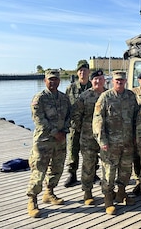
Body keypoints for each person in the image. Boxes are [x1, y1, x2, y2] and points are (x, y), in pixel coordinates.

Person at [93, 70, 139, 215]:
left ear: (125, 81)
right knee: (109, 172)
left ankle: (121, 193)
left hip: (127, 142)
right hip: (110, 144)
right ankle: (108, 199)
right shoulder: (105, 97)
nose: (119, 83)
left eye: (122, 80)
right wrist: (102, 140)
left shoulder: (131, 96)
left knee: (125, 170)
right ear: (112, 81)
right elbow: (97, 120)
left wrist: (136, 136)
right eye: (117, 80)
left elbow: (136, 118)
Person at [26, 69, 71, 218]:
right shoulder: (39, 98)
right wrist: (54, 132)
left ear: (59, 81)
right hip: (44, 140)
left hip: (60, 141)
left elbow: (68, 117)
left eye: (56, 79)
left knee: (57, 168)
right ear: (45, 81)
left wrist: (64, 131)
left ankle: (49, 193)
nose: (53, 82)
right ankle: (32, 200)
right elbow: (38, 120)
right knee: (39, 170)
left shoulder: (64, 98)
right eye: (50, 79)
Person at [71, 69, 106, 205]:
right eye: (95, 79)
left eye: (100, 79)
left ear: (104, 80)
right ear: (91, 81)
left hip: (106, 137)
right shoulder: (84, 97)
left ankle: (107, 191)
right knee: (88, 165)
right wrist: (82, 130)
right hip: (88, 137)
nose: (98, 81)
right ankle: (87, 192)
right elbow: (76, 116)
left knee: (107, 165)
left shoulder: (109, 95)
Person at [64, 59, 94, 187]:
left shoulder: (94, 88)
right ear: (77, 73)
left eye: (85, 70)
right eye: (80, 70)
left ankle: (93, 172)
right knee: (73, 150)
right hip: (74, 126)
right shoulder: (71, 88)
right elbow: (65, 107)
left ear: (89, 72)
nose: (83, 73)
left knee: (92, 150)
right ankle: (72, 174)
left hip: (90, 126)